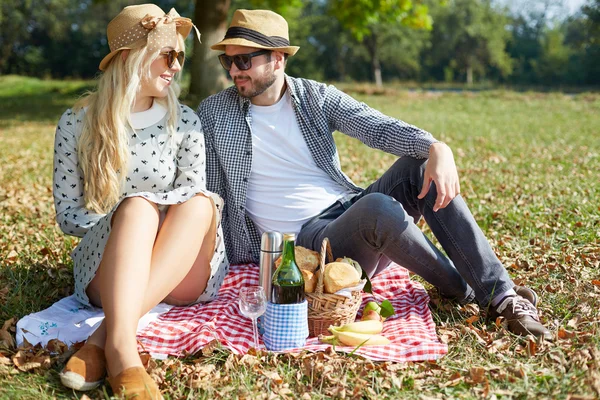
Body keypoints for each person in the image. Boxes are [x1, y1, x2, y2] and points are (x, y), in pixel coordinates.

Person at [197, 9, 551, 340]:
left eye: (243, 60)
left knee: (417, 167)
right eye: (227, 59)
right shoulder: (215, 112)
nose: (233, 70)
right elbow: (209, 191)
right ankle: (467, 291)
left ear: (278, 58)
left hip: (345, 212)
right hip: (303, 244)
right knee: (378, 209)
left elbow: (376, 127)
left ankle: (502, 295)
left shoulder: (314, 97)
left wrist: (435, 148)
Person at [53, 5, 228, 399]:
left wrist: (149, 214)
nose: (176, 67)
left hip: (180, 269)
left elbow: (191, 194)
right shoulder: (76, 123)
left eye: (180, 56)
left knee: (200, 204)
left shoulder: (184, 121)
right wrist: (131, 220)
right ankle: (123, 354)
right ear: (132, 58)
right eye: (167, 55)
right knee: (135, 209)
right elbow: (68, 216)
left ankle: (102, 340)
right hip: (107, 267)